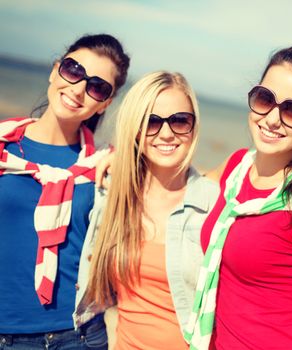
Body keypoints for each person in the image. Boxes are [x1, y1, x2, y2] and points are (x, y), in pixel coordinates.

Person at [184, 46, 292, 349]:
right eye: (265, 99)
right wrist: (122, 161)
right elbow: (184, 186)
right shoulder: (237, 167)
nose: (272, 119)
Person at [0, 34, 129, 349]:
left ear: (106, 102)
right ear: (55, 70)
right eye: (73, 70)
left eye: (97, 87)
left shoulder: (105, 165)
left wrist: (127, 157)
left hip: (76, 336)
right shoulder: (4, 146)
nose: (79, 89)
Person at [84, 71, 219, 350]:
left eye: (180, 120)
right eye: (151, 122)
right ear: (135, 127)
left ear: (194, 126)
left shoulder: (214, 205)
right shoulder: (113, 195)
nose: (166, 133)